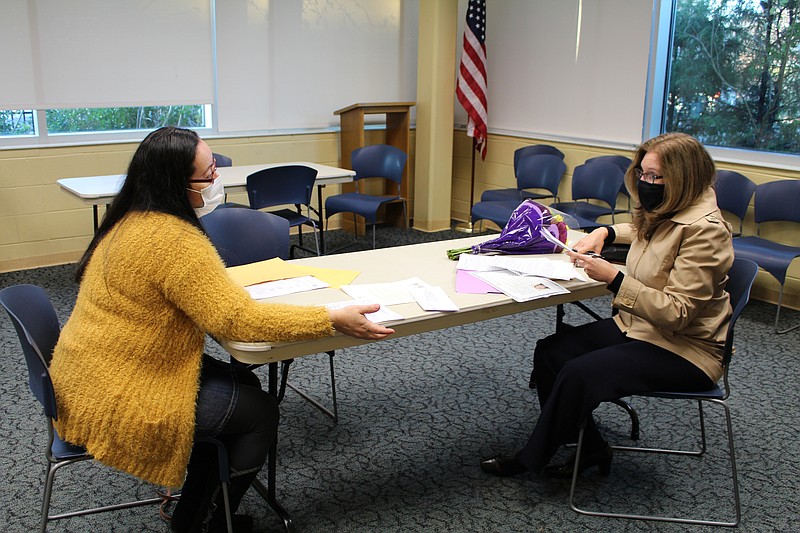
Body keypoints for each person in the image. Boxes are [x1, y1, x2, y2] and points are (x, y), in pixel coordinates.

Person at [49, 126, 395, 532]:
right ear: (174, 183)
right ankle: (197, 522)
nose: (217, 182)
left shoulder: (130, 219)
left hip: (93, 371)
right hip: (118, 389)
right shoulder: (170, 239)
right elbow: (238, 323)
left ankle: (205, 499)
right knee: (260, 413)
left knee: (245, 384)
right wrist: (330, 318)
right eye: (208, 174)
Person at [480, 132, 734, 479]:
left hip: (687, 348)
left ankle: (530, 459)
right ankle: (591, 447)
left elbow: (678, 313)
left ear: (684, 179)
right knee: (551, 353)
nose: (647, 183)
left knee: (577, 373)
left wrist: (613, 279)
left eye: (656, 177)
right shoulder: (672, 207)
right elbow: (647, 228)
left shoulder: (706, 231)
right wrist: (607, 233)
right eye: (643, 174)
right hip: (641, 327)